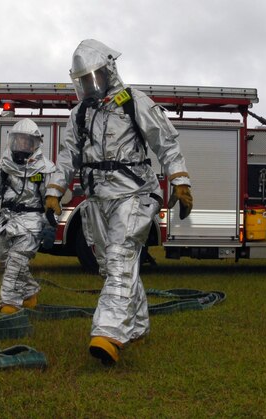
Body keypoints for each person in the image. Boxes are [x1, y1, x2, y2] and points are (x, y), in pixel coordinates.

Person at [54, 39, 193, 365]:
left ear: (108, 70)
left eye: (94, 76)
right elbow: (66, 158)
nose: (90, 84)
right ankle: (139, 325)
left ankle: (109, 333)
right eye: (84, 79)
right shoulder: (80, 114)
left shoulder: (134, 103)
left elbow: (167, 144)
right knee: (114, 266)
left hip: (135, 195)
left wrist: (180, 181)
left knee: (119, 259)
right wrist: (53, 191)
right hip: (96, 202)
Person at [0, 118, 65, 314]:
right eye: (19, 141)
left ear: (34, 144)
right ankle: (29, 292)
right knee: (3, 257)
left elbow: (51, 201)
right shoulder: (5, 164)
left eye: (27, 141)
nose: (22, 145)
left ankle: (9, 305)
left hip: (31, 222)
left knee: (16, 261)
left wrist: (51, 226)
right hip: (6, 220)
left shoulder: (45, 168)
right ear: (12, 141)